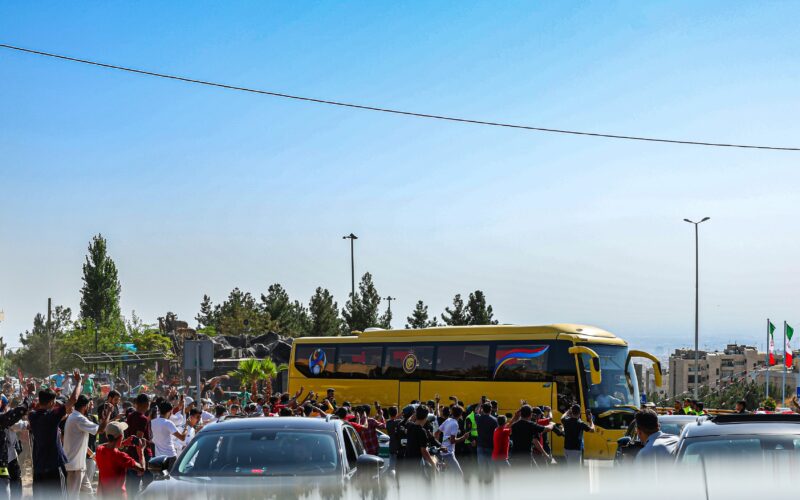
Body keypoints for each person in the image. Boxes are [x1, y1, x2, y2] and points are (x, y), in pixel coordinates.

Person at [29, 369, 82, 497]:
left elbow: (49, 419)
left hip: (39, 467)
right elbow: (74, 399)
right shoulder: (52, 416)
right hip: (54, 465)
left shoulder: (33, 416)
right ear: (52, 403)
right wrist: (79, 381)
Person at [63, 395, 110, 497]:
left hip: (79, 466)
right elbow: (101, 430)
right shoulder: (78, 418)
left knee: (88, 495)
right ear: (85, 406)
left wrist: (93, 455)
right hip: (74, 467)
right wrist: (109, 413)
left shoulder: (74, 417)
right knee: (73, 497)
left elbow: (79, 443)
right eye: (89, 404)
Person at [0, 382, 33, 500]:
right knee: (12, 486)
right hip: (6, 460)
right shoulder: (4, 419)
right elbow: (17, 417)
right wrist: (27, 398)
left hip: (10, 456)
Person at [95, 422, 146, 498]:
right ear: (121, 436)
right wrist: (141, 451)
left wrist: (122, 443)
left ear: (107, 435)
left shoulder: (99, 450)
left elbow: (105, 445)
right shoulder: (121, 456)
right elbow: (142, 469)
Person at [124, 394, 152, 495]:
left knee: (131, 487)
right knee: (147, 486)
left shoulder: (130, 416)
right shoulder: (143, 419)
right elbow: (138, 440)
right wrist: (141, 459)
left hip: (131, 453)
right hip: (142, 455)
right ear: (146, 404)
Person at [438, 405, 464, 475]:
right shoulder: (455, 424)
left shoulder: (448, 420)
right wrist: (463, 437)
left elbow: (436, 433)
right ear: (460, 415)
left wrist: (440, 444)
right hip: (448, 453)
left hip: (443, 451)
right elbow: (452, 441)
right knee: (459, 474)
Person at [475, 402, 497, 470]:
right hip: (490, 445)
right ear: (491, 410)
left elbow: (476, 411)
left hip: (480, 445)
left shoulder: (477, 418)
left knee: (481, 466)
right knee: (491, 466)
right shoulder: (494, 420)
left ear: (482, 409)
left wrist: (480, 403)